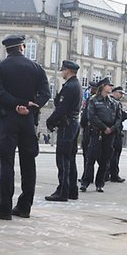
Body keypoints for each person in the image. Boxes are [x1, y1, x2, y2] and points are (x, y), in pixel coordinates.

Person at [0, 34, 50, 220]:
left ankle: (3, 207)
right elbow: (46, 93)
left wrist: (16, 105)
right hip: (28, 120)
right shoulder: (36, 68)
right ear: (22, 47)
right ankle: (24, 206)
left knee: (6, 162)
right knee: (29, 163)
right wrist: (30, 105)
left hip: (7, 119)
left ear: (6, 49)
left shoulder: (0, 67)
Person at [44, 60, 83, 202]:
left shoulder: (70, 86)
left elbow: (62, 108)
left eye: (63, 70)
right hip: (73, 123)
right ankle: (72, 190)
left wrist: (50, 121)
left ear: (68, 71)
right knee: (70, 159)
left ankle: (62, 191)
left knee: (63, 159)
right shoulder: (76, 85)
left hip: (67, 125)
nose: (62, 73)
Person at [79, 77, 121, 193]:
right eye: (109, 85)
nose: (111, 87)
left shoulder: (114, 103)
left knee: (105, 160)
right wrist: (104, 127)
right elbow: (92, 117)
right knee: (90, 158)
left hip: (110, 134)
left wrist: (111, 129)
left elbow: (118, 119)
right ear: (102, 86)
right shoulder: (93, 100)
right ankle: (85, 182)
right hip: (97, 132)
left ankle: (100, 183)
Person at [106, 86, 127, 183]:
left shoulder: (109, 102)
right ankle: (113, 174)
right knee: (115, 154)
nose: (121, 96)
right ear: (114, 92)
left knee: (110, 154)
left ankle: (107, 174)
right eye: (120, 93)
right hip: (115, 132)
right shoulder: (115, 103)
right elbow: (122, 117)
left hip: (112, 132)